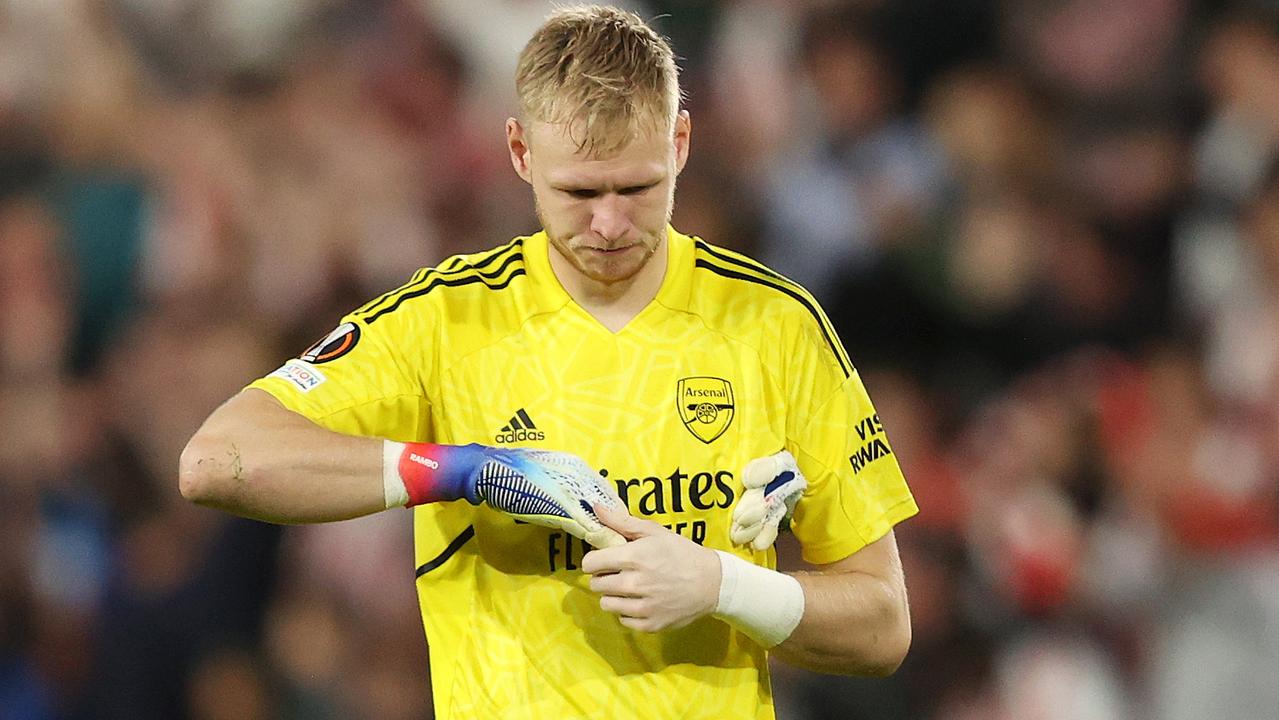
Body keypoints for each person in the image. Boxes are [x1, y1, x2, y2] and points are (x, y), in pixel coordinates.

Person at [178, 6, 918, 719]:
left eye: (637, 187)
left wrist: (723, 586)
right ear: (520, 152)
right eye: (577, 191)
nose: (607, 223)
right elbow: (215, 461)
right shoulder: (448, 320)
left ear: (681, 142)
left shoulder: (772, 325)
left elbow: (884, 626)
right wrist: (462, 470)